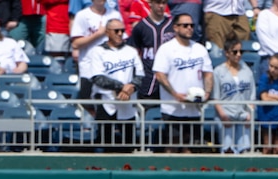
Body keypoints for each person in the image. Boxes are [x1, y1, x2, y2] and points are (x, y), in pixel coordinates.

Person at [80, 17, 143, 151]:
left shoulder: (131, 51)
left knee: (129, 142)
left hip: (127, 101)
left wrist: (130, 88)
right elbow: (97, 77)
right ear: (107, 32)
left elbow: (140, 75)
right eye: (116, 31)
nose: (120, 33)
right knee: (105, 141)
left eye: (122, 30)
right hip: (106, 102)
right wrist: (121, 87)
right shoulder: (98, 51)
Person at [152, 12, 212, 153]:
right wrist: (175, 94)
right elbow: (160, 75)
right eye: (185, 25)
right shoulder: (166, 49)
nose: (189, 28)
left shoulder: (199, 49)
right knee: (172, 145)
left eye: (191, 25)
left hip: (194, 109)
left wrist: (207, 92)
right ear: (176, 28)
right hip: (173, 108)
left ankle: (190, 174)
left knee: (191, 147)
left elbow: (208, 73)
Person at [212, 37, 254, 154]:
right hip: (225, 114)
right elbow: (216, 97)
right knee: (228, 150)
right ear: (227, 53)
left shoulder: (247, 71)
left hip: (243, 115)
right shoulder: (219, 71)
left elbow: (251, 95)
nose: (238, 55)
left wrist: (250, 114)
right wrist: (223, 115)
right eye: (235, 52)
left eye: (241, 51)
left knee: (244, 149)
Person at [128, 0, 173, 99]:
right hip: (147, 77)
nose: (161, 6)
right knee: (145, 109)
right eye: (158, 2)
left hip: (169, 77)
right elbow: (133, 52)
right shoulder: (140, 27)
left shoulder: (172, 26)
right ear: (150, 3)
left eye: (164, 3)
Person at [257, 52, 278, 154]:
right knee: (267, 148)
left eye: (276, 68)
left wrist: (272, 96)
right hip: (266, 117)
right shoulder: (265, 78)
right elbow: (264, 98)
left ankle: (277, 169)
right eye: (271, 66)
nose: (272, 69)